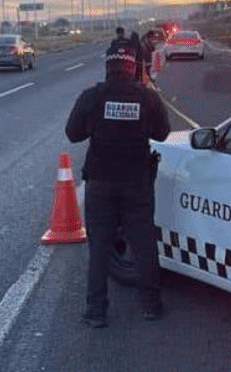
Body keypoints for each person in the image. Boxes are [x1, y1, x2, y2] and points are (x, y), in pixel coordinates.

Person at [65, 43, 171, 328]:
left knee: (99, 246)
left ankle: (96, 311)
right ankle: (151, 305)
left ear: (107, 66)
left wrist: (97, 125)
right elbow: (162, 133)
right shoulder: (147, 98)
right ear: (133, 66)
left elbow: (72, 133)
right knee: (144, 243)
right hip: (137, 181)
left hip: (100, 181)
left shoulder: (92, 97)